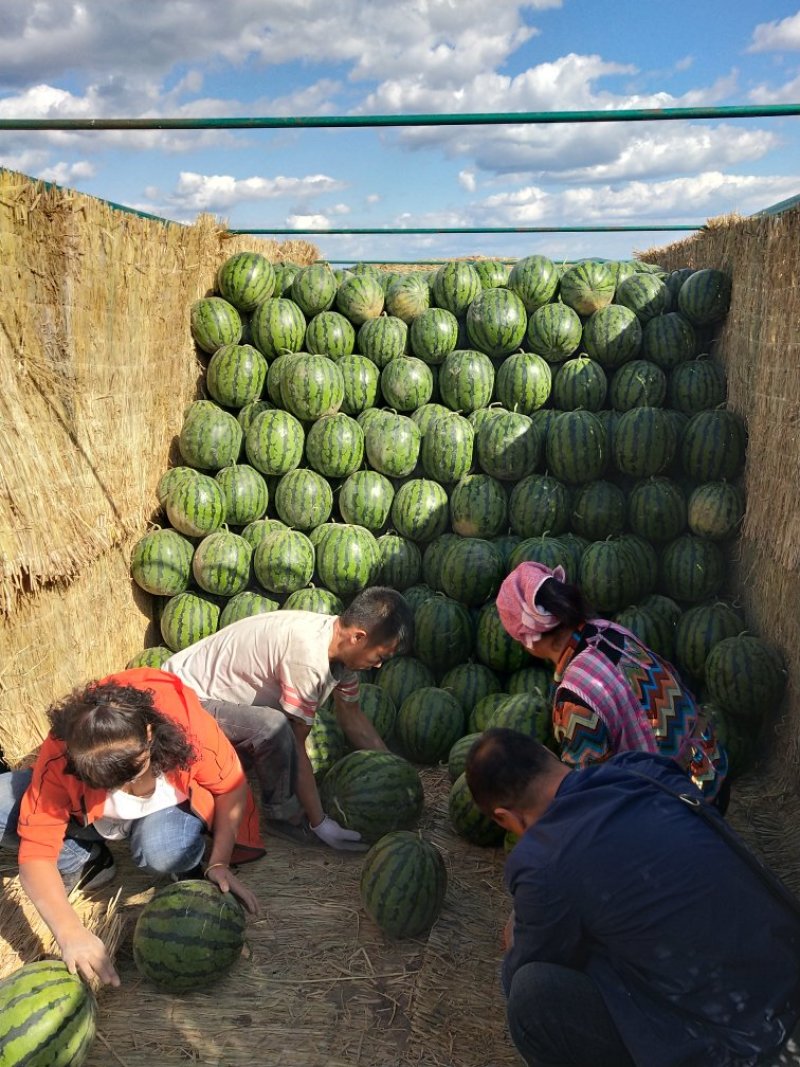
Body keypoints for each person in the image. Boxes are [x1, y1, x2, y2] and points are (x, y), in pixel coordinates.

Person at [466, 727, 800, 1067]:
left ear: (505, 817)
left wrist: (519, 934)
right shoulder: (642, 769)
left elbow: (524, 964)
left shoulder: (542, 859)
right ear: (547, 754)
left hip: (753, 1050)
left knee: (528, 993)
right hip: (790, 975)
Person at [0, 667, 262, 988]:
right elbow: (35, 853)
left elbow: (230, 788)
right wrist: (70, 932)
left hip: (166, 811)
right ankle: (86, 861)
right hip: (92, 818)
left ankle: (180, 862)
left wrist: (219, 860)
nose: (122, 786)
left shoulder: (189, 729)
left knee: (164, 851)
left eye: (131, 774)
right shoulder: (64, 749)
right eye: (105, 781)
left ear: (149, 737)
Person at [163, 586, 414, 849]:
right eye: (381, 656)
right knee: (274, 727)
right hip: (183, 699)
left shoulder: (342, 650)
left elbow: (351, 716)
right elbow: (296, 743)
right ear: (358, 637)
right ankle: (282, 817)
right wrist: (320, 822)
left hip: (216, 704)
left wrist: (396, 771)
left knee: (270, 734)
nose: (378, 665)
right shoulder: (307, 658)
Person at [495, 561, 728, 805]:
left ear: (528, 639)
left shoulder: (574, 699)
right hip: (712, 767)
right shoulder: (608, 630)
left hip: (687, 805)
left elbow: (592, 795)